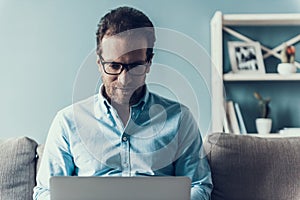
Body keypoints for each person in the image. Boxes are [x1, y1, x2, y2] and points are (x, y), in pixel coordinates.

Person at [33, 6, 212, 200]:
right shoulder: (68, 122)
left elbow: (199, 185)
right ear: (99, 63)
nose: (124, 80)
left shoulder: (179, 119)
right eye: (114, 66)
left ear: (148, 62)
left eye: (135, 66)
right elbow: (44, 192)